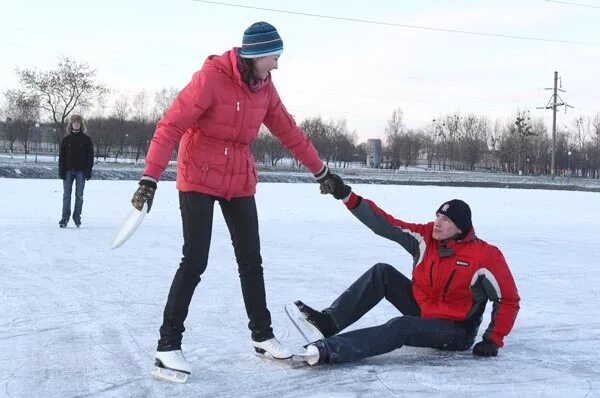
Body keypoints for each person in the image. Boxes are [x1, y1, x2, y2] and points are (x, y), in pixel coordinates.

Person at [130, 21, 335, 382]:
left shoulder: (265, 89)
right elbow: (170, 126)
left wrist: (321, 172)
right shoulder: (211, 79)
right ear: (255, 55)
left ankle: (262, 336)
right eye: (273, 57)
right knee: (195, 260)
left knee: (251, 260)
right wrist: (150, 177)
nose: (276, 65)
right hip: (198, 174)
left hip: (239, 177)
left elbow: (290, 131)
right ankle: (167, 346)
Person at [287, 175, 520, 366]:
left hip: (455, 330)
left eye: (446, 220)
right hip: (423, 310)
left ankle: (330, 349)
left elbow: (507, 299)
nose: (437, 223)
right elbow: (385, 224)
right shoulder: (425, 237)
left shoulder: (485, 255)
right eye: (438, 216)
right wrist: (347, 196)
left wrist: (493, 339)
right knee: (382, 273)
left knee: (401, 326)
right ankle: (327, 323)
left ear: (460, 228)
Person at [58, 114, 94, 228]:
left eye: (78, 122)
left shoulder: (86, 139)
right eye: (74, 122)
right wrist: (61, 171)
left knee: (79, 196)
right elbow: (61, 157)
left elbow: (90, 156)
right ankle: (64, 218)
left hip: (81, 172)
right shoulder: (66, 139)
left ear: (81, 124)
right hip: (68, 171)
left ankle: (77, 217)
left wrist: (88, 171)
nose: (76, 124)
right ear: (71, 124)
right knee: (66, 196)